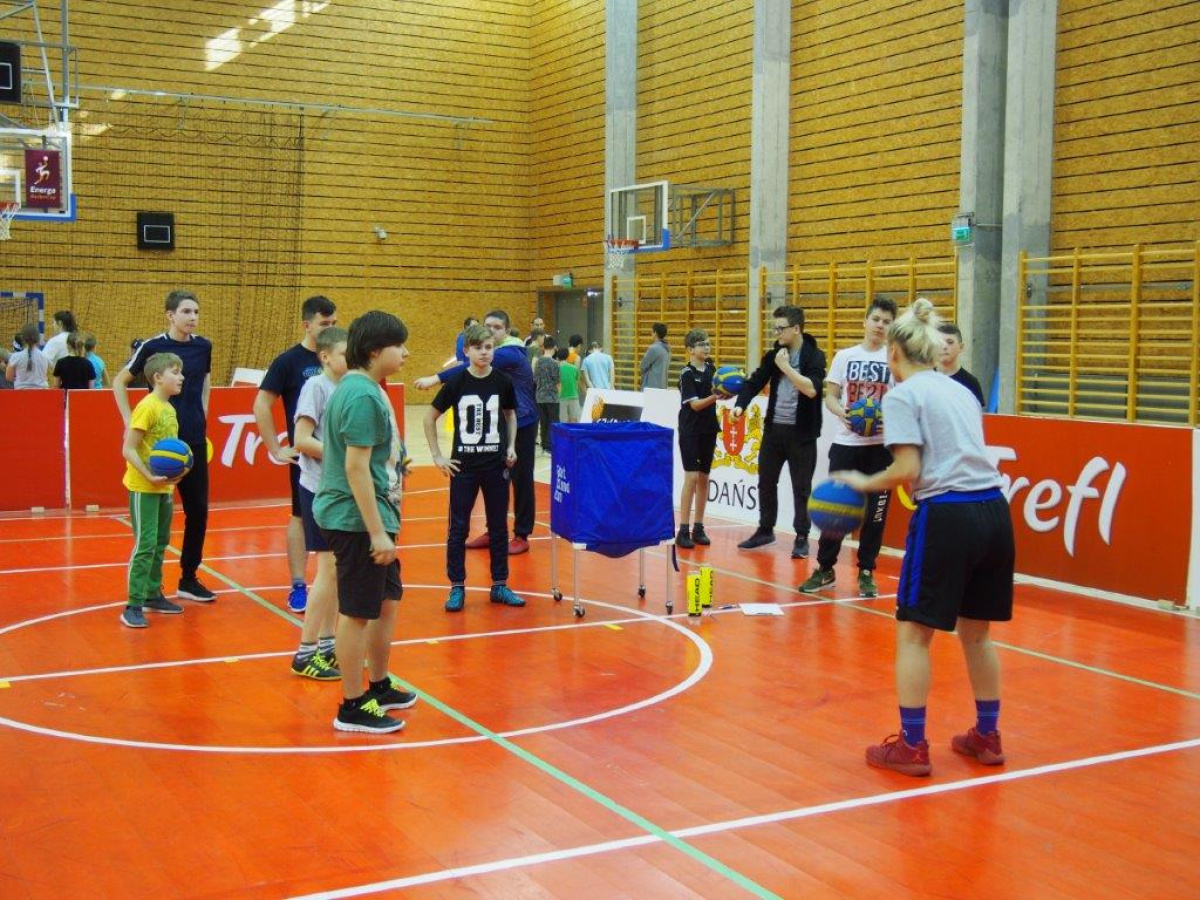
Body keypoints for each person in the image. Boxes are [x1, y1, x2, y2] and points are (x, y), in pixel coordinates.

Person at [833, 298, 1014, 777]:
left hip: (948, 514)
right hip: (994, 511)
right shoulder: (961, 391)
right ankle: (987, 735)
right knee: (977, 634)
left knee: (914, 633)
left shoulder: (901, 395)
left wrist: (861, 481)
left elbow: (907, 469)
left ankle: (912, 745)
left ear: (893, 353)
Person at [314, 310, 417, 734]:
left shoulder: (366, 389)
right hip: (356, 521)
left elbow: (370, 458)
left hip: (375, 514)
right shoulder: (360, 395)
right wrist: (376, 532)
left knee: (385, 601)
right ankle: (352, 705)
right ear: (375, 351)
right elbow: (355, 467)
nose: (405, 353)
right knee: (357, 612)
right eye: (398, 346)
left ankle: (378, 684)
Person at [115, 289, 215, 603]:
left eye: (196, 312)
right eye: (186, 311)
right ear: (170, 315)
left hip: (193, 441)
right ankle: (147, 590)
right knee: (157, 527)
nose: (193, 317)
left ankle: (188, 578)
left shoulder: (204, 346)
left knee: (198, 511)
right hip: (160, 447)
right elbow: (119, 381)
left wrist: (202, 416)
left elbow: (206, 384)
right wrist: (129, 421)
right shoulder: (153, 347)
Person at [415, 308, 538, 555]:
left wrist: (435, 378)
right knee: (497, 480)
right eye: (488, 326)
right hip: (499, 424)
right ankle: (493, 530)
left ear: (507, 331)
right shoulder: (490, 351)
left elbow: (463, 367)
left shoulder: (510, 352)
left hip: (523, 422)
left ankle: (522, 534)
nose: (491, 330)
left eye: (497, 327)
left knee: (521, 478)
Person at [424, 323, 525, 613]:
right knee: (458, 528)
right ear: (466, 351)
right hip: (464, 468)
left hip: (496, 466)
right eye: (478, 348)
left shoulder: (502, 381)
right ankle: (457, 586)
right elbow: (429, 418)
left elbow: (510, 416)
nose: (484, 353)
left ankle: (499, 584)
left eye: (489, 347)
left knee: (498, 527)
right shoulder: (457, 382)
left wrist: (511, 446)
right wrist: (438, 456)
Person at [801, 297, 897, 598]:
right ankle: (825, 568)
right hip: (846, 445)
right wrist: (842, 413)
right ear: (865, 321)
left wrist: (888, 419)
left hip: (880, 448)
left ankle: (866, 570)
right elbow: (830, 396)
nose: (880, 325)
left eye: (886, 322)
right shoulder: (845, 356)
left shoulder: (895, 359)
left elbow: (903, 400)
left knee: (876, 514)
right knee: (836, 507)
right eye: (876, 319)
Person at [253, 295, 339, 613]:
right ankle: (299, 584)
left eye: (334, 323)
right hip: (309, 459)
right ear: (307, 325)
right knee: (301, 517)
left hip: (341, 459)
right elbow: (261, 404)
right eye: (324, 324)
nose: (330, 328)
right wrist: (275, 448)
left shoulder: (342, 358)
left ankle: (336, 583)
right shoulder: (289, 362)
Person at [733, 306, 826, 559]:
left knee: (801, 487)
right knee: (766, 482)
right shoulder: (774, 354)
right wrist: (740, 405)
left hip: (802, 434)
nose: (776, 333)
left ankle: (802, 536)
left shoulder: (815, 356)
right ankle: (765, 530)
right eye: (774, 328)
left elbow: (811, 389)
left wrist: (785, 367)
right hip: (774, 430)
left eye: (780, 328)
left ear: (796, 329)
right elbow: (755, 381)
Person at [289, 326, 349, 680]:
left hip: (341, 488)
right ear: (325, 357)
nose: (350, 359)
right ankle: (305, 652)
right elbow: (301, 439)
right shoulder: (316, 386)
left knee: (337, 570)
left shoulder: (351, 386)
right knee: (327, 570)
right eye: (344, 353)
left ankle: (328, 646)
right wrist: (344, 456)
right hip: (318, 489)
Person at [119, 352, 188, 628]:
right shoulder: (147, 407)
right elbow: (128, 448)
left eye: (181, 372)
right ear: (158, 378)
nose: (181, 377)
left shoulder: (169, 408)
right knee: (145, 544)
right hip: (143, 487)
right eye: (175, 372)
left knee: (161, 541)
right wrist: (148, 475)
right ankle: (133, 604)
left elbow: (171, 451)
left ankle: (152, 593)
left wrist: (181, 468)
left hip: (163, 487)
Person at [675, 329, 720, 549]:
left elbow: (718, 392)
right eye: (702, 344)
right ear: (690, 350)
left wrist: (728, 391)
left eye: (708, 343)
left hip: (709, 428)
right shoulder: (687, 374)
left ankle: (699, 527)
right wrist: (715, 396)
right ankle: (683, 529)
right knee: (691, 477)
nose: (707, 347)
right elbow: (695, 405)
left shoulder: (712, 369)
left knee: (704, 478)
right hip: (690, 430)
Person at [938, 322, 985, 407]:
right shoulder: (926, 378)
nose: (944, 347)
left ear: (961, 347)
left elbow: (976, 413)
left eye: (950, 342)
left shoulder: (971, 382)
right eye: (939, 343)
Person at [533, 335, 560, 452]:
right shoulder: (554, 363)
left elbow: (535, 379)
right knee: (553, 422)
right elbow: (557, 380)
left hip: (539, 396)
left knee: (543, 422)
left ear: (543, 347)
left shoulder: (538, 362)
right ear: (554, 347)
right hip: (552, 397)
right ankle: (550, 446)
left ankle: (544, 444)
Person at [6, 323, 49, 389]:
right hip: (42, 392)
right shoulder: (44, 356)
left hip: (21, 392)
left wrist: (21, 380)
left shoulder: (15, 356)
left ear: (22, 338)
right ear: (38, 338)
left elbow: (9, 377)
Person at [556, 346, 586, 423]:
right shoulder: (574, 368)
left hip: (561, 398)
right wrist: (585, 392)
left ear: (557, 357)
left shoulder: (556, 368)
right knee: (575, 422)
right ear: (567, 356)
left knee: (563, 423)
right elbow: (579, 382)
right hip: (574, 396)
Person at [639, 322, 670, 389]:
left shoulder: (654, 348)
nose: (651, 334)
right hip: (662, 385)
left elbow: (642, 366)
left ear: (655, 333)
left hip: (651, 386)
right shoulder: (667, 348)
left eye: (652, 332)